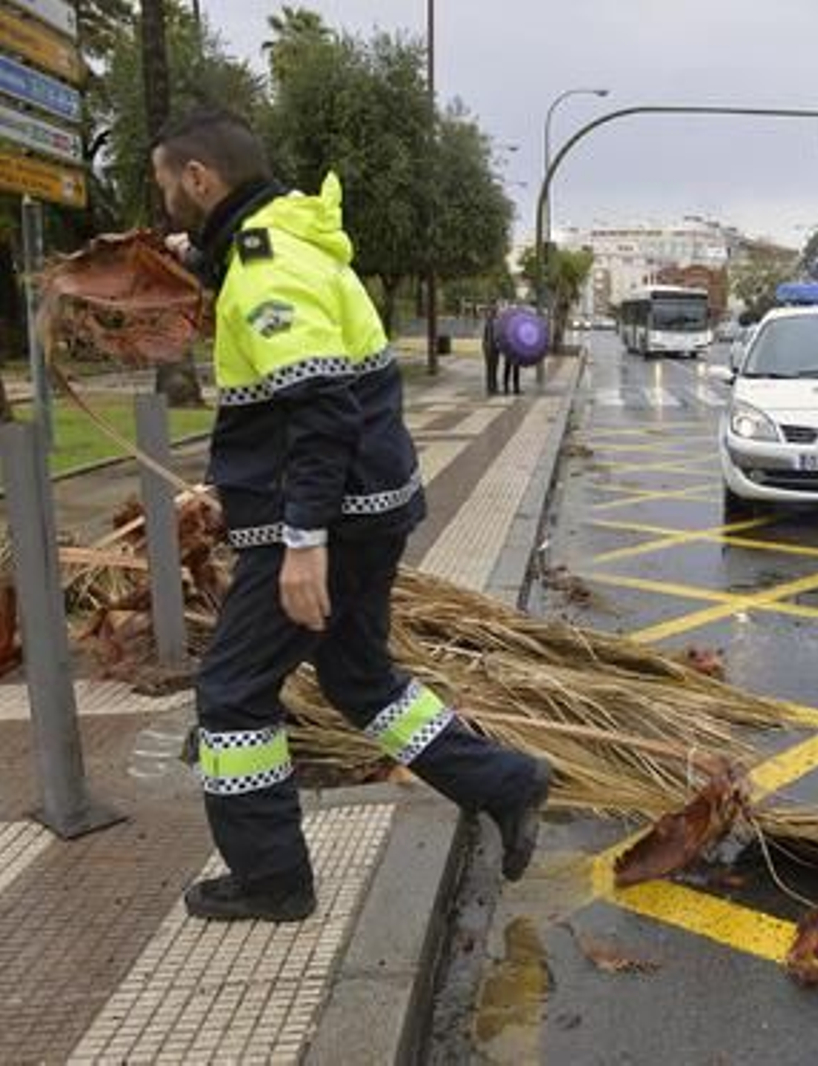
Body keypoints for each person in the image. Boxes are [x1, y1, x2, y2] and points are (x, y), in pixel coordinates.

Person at [150, 108, 551, 923]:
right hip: (369, 510)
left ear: (198, 178)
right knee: (357, 678)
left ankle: (272, 879)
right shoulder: (285, 241)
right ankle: (504, 783)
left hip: (321, 524)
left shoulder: (265, 267)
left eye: (166, 186)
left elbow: (320, 408)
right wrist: (196, 258)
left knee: (232, 692)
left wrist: (302, 543)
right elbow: (284, 334)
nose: (164, 204)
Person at [483, 303, 501, 396]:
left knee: (494, 369)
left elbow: (497, 337)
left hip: (495, 349)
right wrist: (486, 347)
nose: (494, 312)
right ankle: (490, 387)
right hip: (489, 349)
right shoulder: (488, 323)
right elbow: (486, 338)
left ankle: (494, 386)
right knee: (490, 369)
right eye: (493, 311)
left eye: (494, 311)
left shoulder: (496, 322)